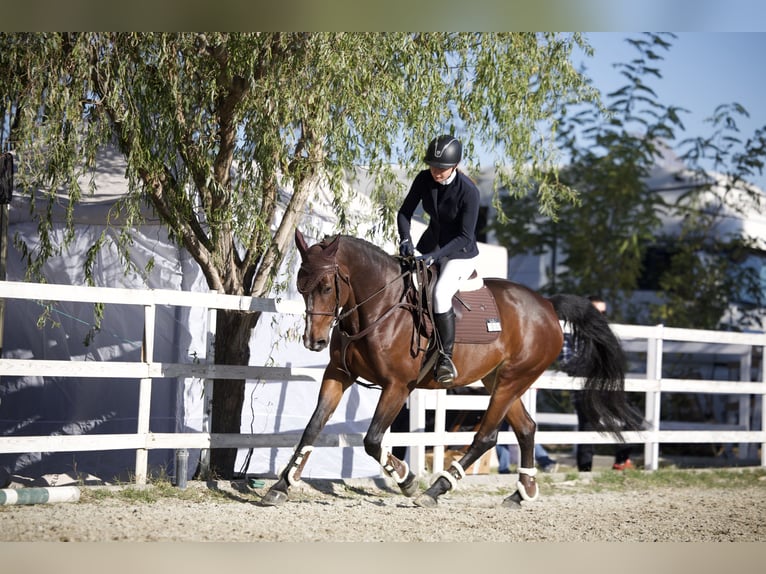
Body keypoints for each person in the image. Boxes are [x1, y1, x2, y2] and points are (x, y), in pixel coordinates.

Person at [397, 134, 481, 386]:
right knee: (398, 277)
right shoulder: (424, 178)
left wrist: (435, 256)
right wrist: (405, 240)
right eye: (433, 166)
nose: (435, 172)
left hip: (460, 253)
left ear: (454, 166)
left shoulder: (469, 192)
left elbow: (465, 236)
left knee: (441, 293)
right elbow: (404, 212)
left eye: (441, 168)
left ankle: (445, 358)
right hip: (429, 244)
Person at [563, 295, 634, 471]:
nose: (601, 317)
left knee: (632, 419)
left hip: (608, 387)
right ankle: (585, 471)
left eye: (604, 312)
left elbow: (616, 361)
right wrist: (594, 364)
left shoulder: (607, 334)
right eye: (597, 312)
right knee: (587, 427)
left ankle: (621, 462)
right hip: (585, 388)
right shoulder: (572, 332)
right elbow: (567, 363)